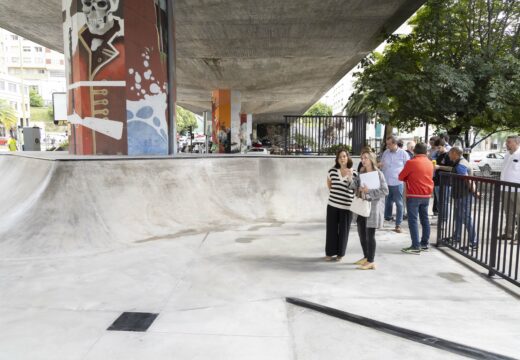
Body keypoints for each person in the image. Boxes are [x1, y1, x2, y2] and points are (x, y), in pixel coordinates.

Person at [354, 150, 389, 269]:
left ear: (371, 159)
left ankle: (371, 261)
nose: (363, 160)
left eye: (365, 158)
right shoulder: (361, 172)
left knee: (370, 235)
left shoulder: (378, 174)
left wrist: (369, 191)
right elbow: (354, 186)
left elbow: (385, 191)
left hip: (373, 208)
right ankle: (366, 257)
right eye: (362, 158)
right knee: (361, 233)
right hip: (362, 208)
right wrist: (351, 180)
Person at [398, 143, 435, 254]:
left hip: (414, 194)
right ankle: (424, 243)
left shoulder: (411, 162)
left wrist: (408, 178)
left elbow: (400, 176)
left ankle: (415, 245)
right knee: (425, 219)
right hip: (426, 195)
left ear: (414, 151)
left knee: (413, 221)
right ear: (426, 152)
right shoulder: (430, 163)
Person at [325, 148, 358, 261]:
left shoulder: (354, 173)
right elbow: (329, 184)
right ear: (337, 159)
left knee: (344, 231)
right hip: (332, 205)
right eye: (340, 157)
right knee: (331, 230)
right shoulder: (332, 171)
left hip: (347, 207)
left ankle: (340, 254)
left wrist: (349, 177)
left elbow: (354, 189)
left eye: (344, 156)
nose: (342, 158)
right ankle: (329, 253)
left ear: (348, 158)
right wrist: (336, 195)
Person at [449, 147, 478, 251]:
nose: (449, 155)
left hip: (463, 195)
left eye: (450, 153)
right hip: (460, 195)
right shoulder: (460, 162)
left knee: (466, 217)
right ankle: (456, 237)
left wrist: (474, 192)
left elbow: (467, 179)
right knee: (458, 217)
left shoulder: (461, 164)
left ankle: (473, 243)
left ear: (455, 153)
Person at [380, 136, 409, 233]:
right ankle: (387, 218)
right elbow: (382, 164)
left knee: (399, 203)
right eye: (387, 144)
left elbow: (408, 167)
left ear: (395, 143)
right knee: (387, 202)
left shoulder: (403, 153)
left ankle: (398, 224)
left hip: (398, 182)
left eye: (389, 144)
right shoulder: (385, 153)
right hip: (386, 181)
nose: (387, 146)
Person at [499, 135, 520, 241]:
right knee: (508, 212)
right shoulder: (507, 154)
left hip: (517, 189)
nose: (507, 144)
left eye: (509, 142)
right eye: (507, 142)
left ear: (516, 143)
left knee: (519, 212)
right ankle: (509, 233)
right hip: (505, 188)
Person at [433, 139, 454, 220]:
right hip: (438, 181)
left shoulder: (448, 155)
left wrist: (439, 167)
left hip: (446, 182)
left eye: (439, 148)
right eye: (436, 148)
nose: (437, 150)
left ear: (444, 146)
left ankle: (444, 219)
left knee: (445, 202)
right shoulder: (438, 155)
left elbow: (451, 168)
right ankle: (441, 218)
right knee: (440, 202)